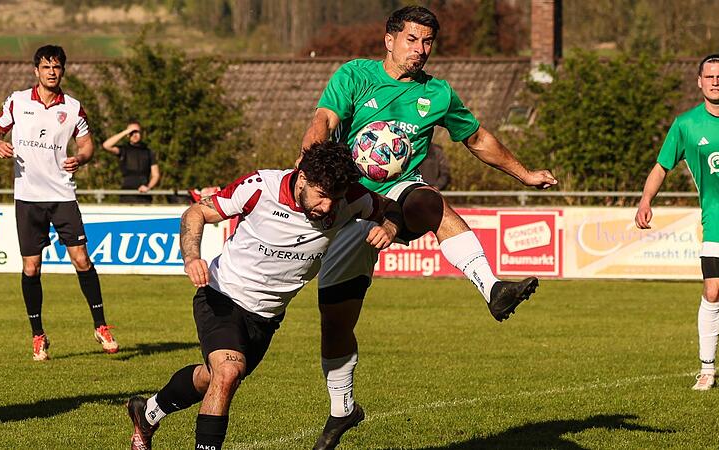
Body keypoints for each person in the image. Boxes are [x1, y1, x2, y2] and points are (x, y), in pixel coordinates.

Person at [299, 6, 557, 448]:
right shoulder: (355, 76)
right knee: (335, 322)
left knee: (429, 200)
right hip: (347, 200)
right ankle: (342, 410)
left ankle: (493, 289)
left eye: (427, 42)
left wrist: (525, 173)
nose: (420, 51)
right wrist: (311, 161)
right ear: (389, 39)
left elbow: (476, 139)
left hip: (401, 194)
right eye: (412, 40)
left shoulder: (437, 93)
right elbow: (325, 119)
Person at [126, 141, 402, 450]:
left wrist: (390, 228)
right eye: (322, 196)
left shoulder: (349, 200)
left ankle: (148, 412)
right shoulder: (261, 187)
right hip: (222, 296)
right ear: (303, 177)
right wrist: (192, 257)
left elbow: (393, 209)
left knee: (212, 377)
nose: (327, 208)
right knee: (228, 371)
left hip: (266, 318)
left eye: (335, 199)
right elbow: (196, 212)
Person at [0, 45, 118, 361]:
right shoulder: (17, 102)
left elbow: (86, 145)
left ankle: (100, 326)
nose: (51, 71)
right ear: (36, 70)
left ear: (63, 71)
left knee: (82, 260)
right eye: (46, 67)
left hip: (62, 196)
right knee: (31, 268)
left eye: (56, 67)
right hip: (28, 199)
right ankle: (38, 335)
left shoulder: (73, 108)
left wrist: (80, 158)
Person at [635, 53, 719, 391]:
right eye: (711, 77)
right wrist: (646, 200)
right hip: (718, 223)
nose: (717, 82)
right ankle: (707, 369)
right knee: (713, 290)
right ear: (700, 82)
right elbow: (661, 167)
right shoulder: (686, 125)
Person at [102, 121, 161, 204]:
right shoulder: (124, 150)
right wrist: (126, 131)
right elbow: (106, 145)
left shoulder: (148, 152)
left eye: (137, 132)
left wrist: (148, 187)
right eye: (131, 132)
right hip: (126, 194)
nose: (134, 135)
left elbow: (156, 175)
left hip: (144, 195)